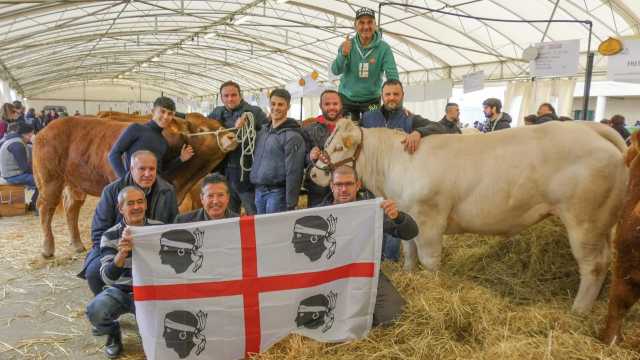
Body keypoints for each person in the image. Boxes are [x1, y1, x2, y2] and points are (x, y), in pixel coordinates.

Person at [320, 165, 418, 327]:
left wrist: (398, 217)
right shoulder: (318, 215)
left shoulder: (373, 211)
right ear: (331, 186)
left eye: (349, 184)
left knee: (394, 316)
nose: (343, 189)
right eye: (338, 184)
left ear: (358, 185)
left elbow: (411, 232)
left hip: (367, 275)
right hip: (329, 278)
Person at [79, 150, 178, 296]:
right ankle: (108, 303)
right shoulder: (111, 191)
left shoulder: (167, 191)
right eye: (142, 169)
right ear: (131, 169)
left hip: (154, 249)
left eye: (152, 169)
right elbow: (98, 231)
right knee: (94, 272)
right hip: (116, 246)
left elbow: (173, 225)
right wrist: (114, 251)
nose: (147, 173)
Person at [86, 186, 163, 358]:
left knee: (157, 333)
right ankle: (113, 334)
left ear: (146, 205)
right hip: (121, 290)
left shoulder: (159, 230)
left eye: (140, 202)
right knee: (95, 310)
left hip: (152, 291)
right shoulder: (110, 235)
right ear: (121, 208)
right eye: (130, 203)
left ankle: (148, 332)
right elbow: (106, 277)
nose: (136, 207)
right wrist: (121, 254)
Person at [360, 79, 431, 261]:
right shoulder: (368, 118)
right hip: (372, 180)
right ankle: (373, 259)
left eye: (396, 94)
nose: (392, 98)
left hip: (396, 182)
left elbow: (442, 127)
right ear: (382, 96)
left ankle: (391, 260)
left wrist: (418, 132)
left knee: (393, 216)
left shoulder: (410, 118)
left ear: (402, 96)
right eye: (388, 94)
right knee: (373, 220)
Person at [207, 81, 268, 215]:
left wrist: (249, 127)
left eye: (233, 95)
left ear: (240, 95)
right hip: (223, 175)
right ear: (221, 97)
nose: (230, 99)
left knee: (253, 214)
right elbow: (203, 128)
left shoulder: (254, 112)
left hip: (246, 175)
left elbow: (268, 132)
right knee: (229, 216)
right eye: (226, 96)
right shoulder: (217, 113)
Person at [331, 7, 399, 123]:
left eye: (369, 22)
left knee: (373, 127)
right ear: (355, 25)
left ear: (375, 25)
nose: (366, 27)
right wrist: (343, 54)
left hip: (371, 101)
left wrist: (398, 106)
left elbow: (392, 77)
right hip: (347, 99)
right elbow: (335, 70)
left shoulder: (384, 48)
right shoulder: (347, 45)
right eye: (361, 23)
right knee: (347, 133)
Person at [108, 96, 194, 178]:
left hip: (152, 188)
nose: (165, 117)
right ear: (153, 111)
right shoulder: (136, 129)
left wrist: (181, 159)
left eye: (170, 114)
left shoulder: (163, 142)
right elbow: (114, 154)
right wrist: (125, 180)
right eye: (162, 111)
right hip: (133, 188)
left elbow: (162, 168)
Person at [250, 89, 305, 214]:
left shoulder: (292, 136)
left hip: (277, 194)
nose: (276, 108)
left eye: (280, 104)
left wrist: (291, 202)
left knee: (273, 231)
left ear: (288, 107)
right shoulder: (262, 132)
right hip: (259, 191)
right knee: (261, 229)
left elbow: (294, 171)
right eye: (273, 104)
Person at [303, 89, 343, 207]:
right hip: (317, 187)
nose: (331, 107)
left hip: (343, 186)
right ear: (320, 106)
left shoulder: (349, 129)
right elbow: (302, 160)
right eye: (327, 104)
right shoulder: (308, 130)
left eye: (335, 104)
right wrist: (310, 156)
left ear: (341, 105)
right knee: (317, 222)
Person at [0, 122, 38, 212]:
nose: (33, 135)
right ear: (26, 134)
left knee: (41, 178)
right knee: (42, 181)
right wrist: (41, 172)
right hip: (13, 176)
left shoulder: (18, 141)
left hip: (13, 173)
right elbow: (24, 167)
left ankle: (34, 203)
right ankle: (36, 206)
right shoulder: (17, 145)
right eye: (32, 133)